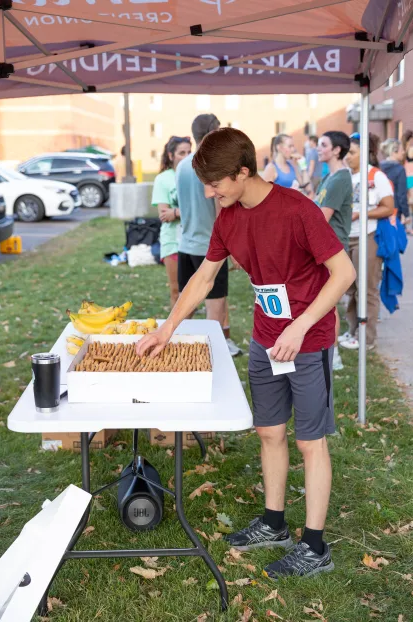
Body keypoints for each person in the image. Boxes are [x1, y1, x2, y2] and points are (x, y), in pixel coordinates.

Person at [137, 127, 356, 580]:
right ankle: (274, 523)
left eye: (215, 184)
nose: (208, 192)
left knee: (308, 442)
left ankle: (315, 546)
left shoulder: (298, 210)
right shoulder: (229, 216)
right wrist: (168, 328)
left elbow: (343, 273)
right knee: (269, 432)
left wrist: (300, 325)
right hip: (264, 339)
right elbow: (202, 278)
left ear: (242, 172)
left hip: (307, 341)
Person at [176, 114, 241, 357]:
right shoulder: (210, 165)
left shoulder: (182, 165)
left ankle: (172, 344)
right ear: (212, 132)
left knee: (186, 305)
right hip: (209, 249)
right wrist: (232, 246)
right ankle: (214, 359)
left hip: (187, 244)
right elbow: (219, 209)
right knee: (215, 311)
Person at [339, 132, 394, 351]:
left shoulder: (375, 176)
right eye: (346, 153)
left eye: (352, 153)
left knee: (367, 288)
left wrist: (361, 214)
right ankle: (352, 330)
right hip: (347, 237)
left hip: (368, 237)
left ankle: (367, 338)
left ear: (364, 153)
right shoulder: (344, 175)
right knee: (350, 288)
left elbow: (388, 207)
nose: (347, 157)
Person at [315, 131, 353, 371]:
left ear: (337, 150)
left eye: (323, 145)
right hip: (324, 248)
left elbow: (320, 217)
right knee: (322, 302)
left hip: (334, 250)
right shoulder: (328, 176)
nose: (319, 148)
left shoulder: (340, 178)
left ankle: (334, 354)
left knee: (328, 304)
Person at [151, 136, 192, 307]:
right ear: (171, 155)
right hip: (172, 241)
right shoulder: (163, 179)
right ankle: (176, 332)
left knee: (200, 292)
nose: (186, 156)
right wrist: (187, 212)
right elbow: (163, 213)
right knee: (177, 291)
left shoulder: (197, 176)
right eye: (181, 153)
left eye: (189, 152)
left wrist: (175, 212)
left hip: (194, 240)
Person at [380, 139, 410, 224]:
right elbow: (401, 195)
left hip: (380, 210)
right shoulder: (400, 169)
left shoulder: (379, 167)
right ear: (394, 152)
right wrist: (406, 214)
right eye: (401, 150)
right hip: (395, 212)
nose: (403, 152)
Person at [402, 130, 413, 235]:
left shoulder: (403, 149)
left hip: (406, 175)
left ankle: (406, 225)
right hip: (410, 176)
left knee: (408, 202)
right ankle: (409, 226)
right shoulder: (410, 150)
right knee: (410, 202)